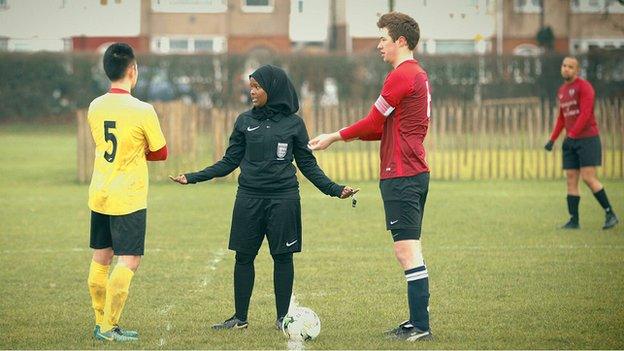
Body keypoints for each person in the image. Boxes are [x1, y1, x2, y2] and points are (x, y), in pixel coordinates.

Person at [170, 64, 357, 331]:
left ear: (273, 88)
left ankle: (283, 319)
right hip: (248, 198)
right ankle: (239, 319)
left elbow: (308, 164)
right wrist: (194, 176)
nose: (252, 92)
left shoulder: (294, 124)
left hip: (284, 199)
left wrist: (335, 189)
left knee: (283, 257)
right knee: (243, 257)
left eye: (257, 87)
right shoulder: (244, 122)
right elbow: (229, 161)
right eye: (251, 87)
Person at [308, 12, 432, 341]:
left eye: (383, 39)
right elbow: (382, 129)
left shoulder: (402, 75)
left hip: (402, 174)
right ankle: (416, 322)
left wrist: (334, 135)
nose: (379, 45)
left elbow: (373, 122)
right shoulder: (415, 74)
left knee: (406, 251)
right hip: (411, 172)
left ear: (400, 41)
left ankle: (420, 326)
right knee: (410, 249)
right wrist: (341, 137)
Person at [86, 43, 168, 342]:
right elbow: (160, 152)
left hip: (100, 191)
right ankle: (109, 326)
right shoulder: (143, 110)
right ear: (132, 71)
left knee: (101, 256)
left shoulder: (95, 106)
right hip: (128, 195)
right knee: (130, 259)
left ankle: (99, 322)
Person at [544, 56, 618, 230]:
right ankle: (574, 220)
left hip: (587, 140)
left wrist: (573, 135)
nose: (566, 69)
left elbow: (585, 114)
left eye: (570, 67)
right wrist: (552, 139)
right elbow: (562, 118)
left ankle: (610, 213)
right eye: (564, 65)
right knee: (571, 180)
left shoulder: (585, 87)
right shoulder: (562, 90)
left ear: (577, 70)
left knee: (588, 178)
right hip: (571, 140)